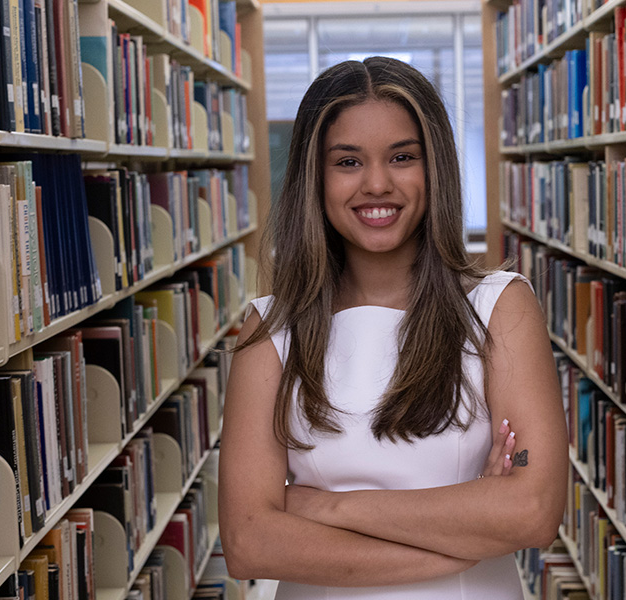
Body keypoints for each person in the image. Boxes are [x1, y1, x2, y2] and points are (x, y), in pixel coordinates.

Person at [218, 56, 568, 599]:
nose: (377, 184)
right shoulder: (269, 330)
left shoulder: (500, 308)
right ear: (315, 176)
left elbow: (533, 511)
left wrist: (326, 505)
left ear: (436, 168)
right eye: (348, 161)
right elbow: (249, 543)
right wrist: (467, 534)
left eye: (402, 157)